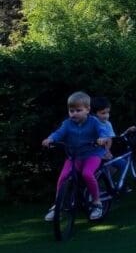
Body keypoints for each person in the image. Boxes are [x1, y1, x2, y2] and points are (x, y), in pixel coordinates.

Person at [42, 91, 111, 221]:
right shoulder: (67, 123)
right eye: (71, 110)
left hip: (93, 154)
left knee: (87, 174)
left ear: (87, 110)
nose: (74, 113)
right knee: (63, 177)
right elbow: (59, 133)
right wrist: (50, 139)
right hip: (74, 156)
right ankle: (58, 206)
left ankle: (97, 203)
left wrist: (102, 138)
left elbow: (103, 131)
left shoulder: (94, 122)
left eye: (78, 110)